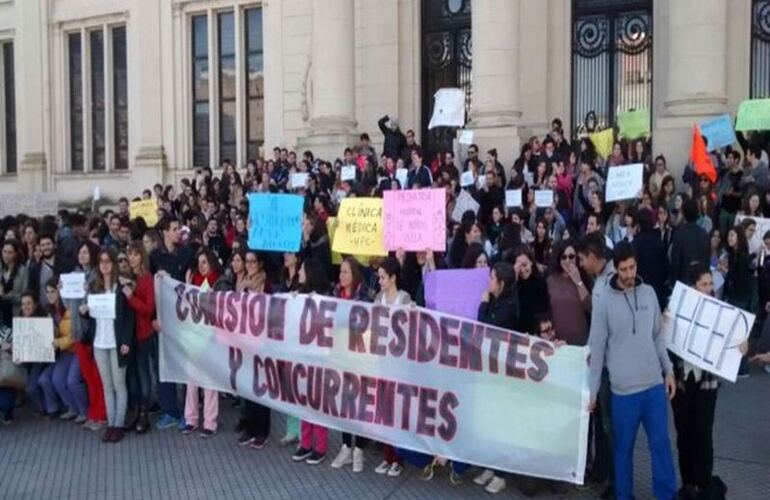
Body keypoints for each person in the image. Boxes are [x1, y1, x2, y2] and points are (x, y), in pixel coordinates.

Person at [588, 242, 677, 500]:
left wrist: (668, 371)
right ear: (615, 268)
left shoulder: (649, 293)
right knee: (623, 451)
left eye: (632, 267)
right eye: (623, 269)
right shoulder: (604, 301)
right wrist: (593, 392)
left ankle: (667, 496)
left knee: (661, 446)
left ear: (636, 264)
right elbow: (597, 348)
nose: (628, 274)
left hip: (653, 387)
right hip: (623, 392)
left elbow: (659, 337)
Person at [669, 265, 742, 500]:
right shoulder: (677, 309)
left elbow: (736, 340)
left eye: (711, 284)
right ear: (692, 287)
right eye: (704, 284)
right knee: (684, 434)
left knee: (703, 433)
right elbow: (666, 343)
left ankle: (703, 483)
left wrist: (742, 346)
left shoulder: (720, 312)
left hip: (707, 384)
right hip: (682, 382)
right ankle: (688, 483)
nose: (709, 288)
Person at [81, 248, 136, 443]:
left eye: (108, 261)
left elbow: (129, 318)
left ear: (113, 264)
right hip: (99, 342)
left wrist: (126, 342)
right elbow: (90, 313)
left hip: (117, 341)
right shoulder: (94, 287)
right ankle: (111, 423)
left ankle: (118, 424)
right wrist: (85, 310)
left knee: (119, 384)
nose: (104, 265)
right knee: (107, 385)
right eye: (101, 261)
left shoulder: (121, 287)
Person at [473, 262, 518, 494]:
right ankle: (490, 466)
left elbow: (484, 329)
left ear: (501, 283)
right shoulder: (498, 301)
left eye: (492, 278)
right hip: (491, 369)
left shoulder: (508, 307)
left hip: (503, 372)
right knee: (489, 421)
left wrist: (482, 304)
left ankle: (501, 473)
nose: (488, 281)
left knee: (501, 423)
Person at [150, 215, 194, 430]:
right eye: (175, 228)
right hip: (162, 319)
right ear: (165, 232)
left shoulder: (187, 254)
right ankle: (170, 411)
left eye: (179, 228)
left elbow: (190, 283)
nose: (179, 232)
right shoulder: (154, 256)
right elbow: (149, 289)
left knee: (184, 367)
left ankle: (188, 412)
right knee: (164, 366)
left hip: (182, 318)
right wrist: (152, 318)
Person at [371, 257, 411, 477]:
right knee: (384, 413)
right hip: (382, 362)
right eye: (379, 277)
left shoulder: (404, 299)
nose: (380, 281)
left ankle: (399, 458)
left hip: (399, 364)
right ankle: (388, 456)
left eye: (383, 277)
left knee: (398, 413)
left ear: (393, 277)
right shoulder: (379, 299)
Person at [330, 257, 370, 472]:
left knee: (359, 404)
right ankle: (346, 445)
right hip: (340, 355)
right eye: (341, 271)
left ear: (354, 275)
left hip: (359, 358)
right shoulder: (336, 294)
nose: (341, 275)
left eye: (345, 272)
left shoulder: (363, 297)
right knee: (344, 403)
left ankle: (359, 449)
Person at [292, 257, 331, 466]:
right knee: (304, 401)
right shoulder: (299, 296)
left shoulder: (323, 299)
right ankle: (305, 443)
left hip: (319, 358)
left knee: (318, 403)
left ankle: (320, 447)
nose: (298, 273)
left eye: (302, 270)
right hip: (303, 356)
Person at [182, 248, 221, 438]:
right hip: (194, 336)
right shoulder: (194, 282)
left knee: (210, 382)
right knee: (191, 380)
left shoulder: (219, 282)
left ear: (212, 263)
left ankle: (210, 422)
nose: (201, 265)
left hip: (211, 338)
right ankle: (190, 419)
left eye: (204, 262)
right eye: (199, 262)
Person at [36, 279, 87, 422]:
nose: (49, 295)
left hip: (76, 349)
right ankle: (72, 408)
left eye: (53, 291)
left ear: (60, 292)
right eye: (47, 292)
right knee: (57, 380)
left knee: (72, 381)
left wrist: (58, 342)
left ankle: (84, 410)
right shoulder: (49, 311)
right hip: (63, 352)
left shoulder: (70, 308)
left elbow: (74, 334)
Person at [236, 250, 273, 448]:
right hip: (244, 341)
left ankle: (262, 431)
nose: (249, 264)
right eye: (247, 261)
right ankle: (250, 427)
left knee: (260, 387)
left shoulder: (265, 285)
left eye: (252, 261)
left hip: (261, 342)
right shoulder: (241, 283)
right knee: (247, 386)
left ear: (259, 264)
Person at [123, 242, 155, 434]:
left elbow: (149, 309)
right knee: (132, 375)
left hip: (142, 334)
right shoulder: (127, 277)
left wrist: (131, 298)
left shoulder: (146, 279)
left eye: (135, 255)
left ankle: (144, 413)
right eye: (130, 255)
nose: (132, 258)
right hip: (129, 335)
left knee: (143, 375)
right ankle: (134, 410)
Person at [547, 239, 591, 346]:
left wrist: (578, 281)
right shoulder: (550, 280)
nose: (568, 260)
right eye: (564, 257)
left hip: (581, 339)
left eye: (571, 256)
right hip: (558, 340)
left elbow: (590, 307)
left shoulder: (586, 278)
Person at [670, 198, 710, 285]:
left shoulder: (679, 234)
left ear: (683, 213)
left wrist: (673, 282)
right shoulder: (704, 234)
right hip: (700, 280)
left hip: (683, 280)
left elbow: (675, 261)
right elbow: (707, 261)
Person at [512, 247, 549, 334]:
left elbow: (543, 309)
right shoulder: (514, 284)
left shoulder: (540, 282)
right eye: (519, 267)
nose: (522, 270)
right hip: (517, 331)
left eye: (525, 265)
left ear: (531, 262)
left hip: (534, 332)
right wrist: (514, 280)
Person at [0, 239, 28, 328]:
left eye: (10, 252)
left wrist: (5, 295)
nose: (6, 255)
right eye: (4, 252)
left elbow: (24, 296)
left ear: (15, 254)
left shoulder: (23, 271)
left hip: (15, 315)